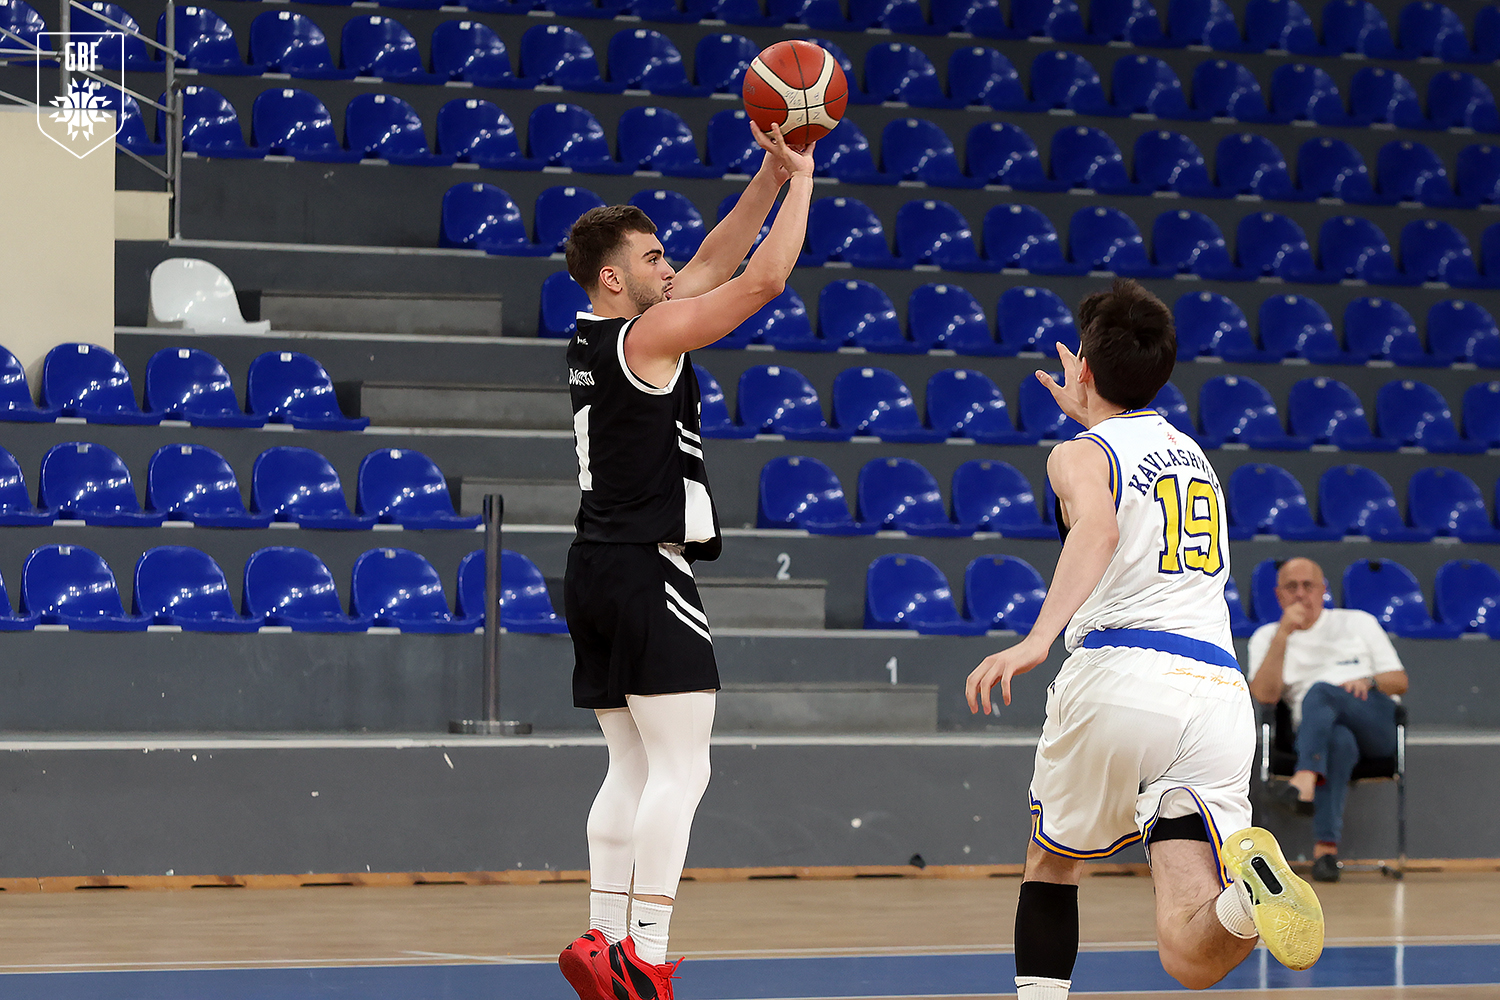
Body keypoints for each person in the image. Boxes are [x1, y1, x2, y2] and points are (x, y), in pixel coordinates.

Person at [965, 279, 1325, 998]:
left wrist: (1037, 638)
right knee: (1191, 956)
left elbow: (1099, 528)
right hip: (1216, 696)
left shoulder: (1078, 453)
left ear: (1084, 368)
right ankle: (1247, 899)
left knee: (1052, 866)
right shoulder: (1194, 456)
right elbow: (1128, 467)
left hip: (1122, 671)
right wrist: (1097, 410)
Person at [554, 121, 816, 1000]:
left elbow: (713, 259)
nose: (671, 267)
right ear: (614, 277)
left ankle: (601, 937)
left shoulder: (596, 338)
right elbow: (762, 280)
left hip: (592, 567)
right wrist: (805, 180)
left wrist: (769, 174)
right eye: (653, 257)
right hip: (644, 567)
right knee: (681, 768)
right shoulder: (650, 338)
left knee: (630, 766)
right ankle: (645, 952)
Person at [1246, 556, 1409, 883]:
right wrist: (1283, 634)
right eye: (1291, 587)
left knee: (1321, 691)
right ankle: (1325, 852)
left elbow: (1399, 681)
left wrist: (1369, 681)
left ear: (1323, 590)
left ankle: (1303, 779)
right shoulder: (1266, 637)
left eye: (1308, 585)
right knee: (1338, 741)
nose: (1300, 593)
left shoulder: (1357, 623)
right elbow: (1264, 695)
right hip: (1315, 734)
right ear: (1279, 595)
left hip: (1372, 720)